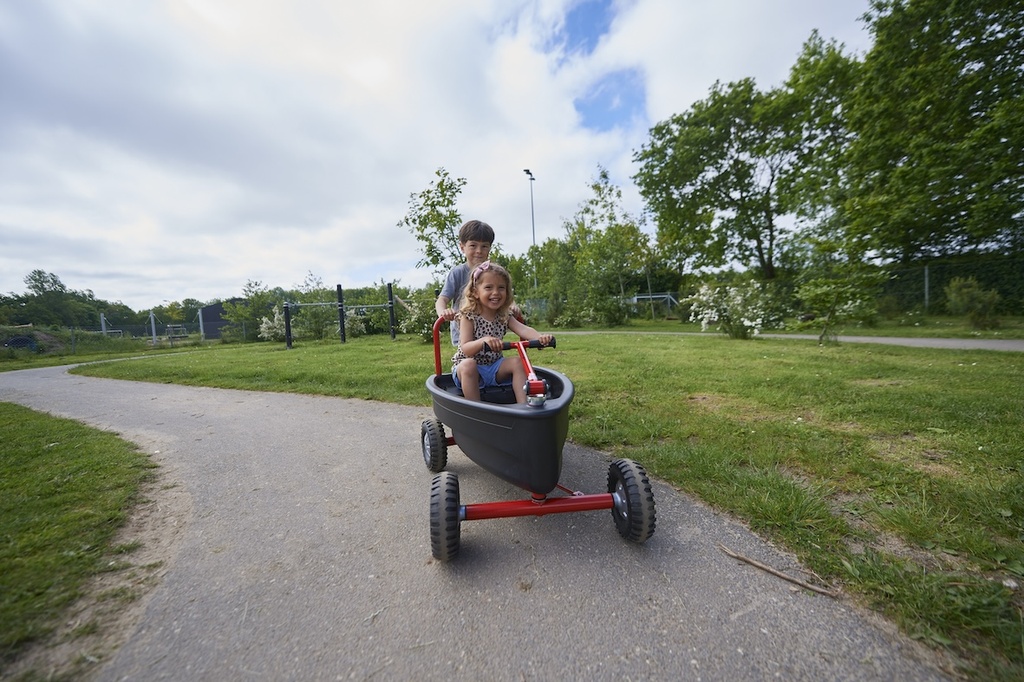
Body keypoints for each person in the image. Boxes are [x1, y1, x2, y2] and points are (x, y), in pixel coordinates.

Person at [451, 261, 552, 403]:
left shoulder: (504, 315)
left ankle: (524, 407)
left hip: (494, 366)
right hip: (468, 370)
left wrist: (540, 338)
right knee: (469, 365)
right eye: (488, 287)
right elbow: (466, 348)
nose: (496, 293)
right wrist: (483, 341)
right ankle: (476, 409)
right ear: (475, 292)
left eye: (501, 288)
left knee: (517, 362)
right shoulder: (468, 316)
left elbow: (523, 329)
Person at [435, 220, 494, 347]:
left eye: (484, 246)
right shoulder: (458, 273)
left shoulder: (493, 273)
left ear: (489, 248)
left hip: (488, 331)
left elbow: (503, 294)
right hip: (463, 334)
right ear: (462, 247)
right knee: (469, 364)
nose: (479, 250)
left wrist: (512, 305)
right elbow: (441, 300)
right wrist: (443, 312)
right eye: (473, 245)